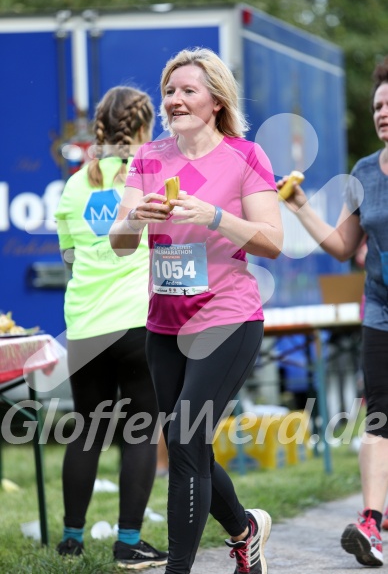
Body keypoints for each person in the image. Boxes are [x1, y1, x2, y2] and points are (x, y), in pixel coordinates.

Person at [109, 48, 283, 574]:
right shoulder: (148, 158)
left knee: (185, 437)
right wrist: (135, 218)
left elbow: (273, 241)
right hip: (165, 322)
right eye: (170, 91)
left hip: (229, 315)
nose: (175, 100)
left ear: (216, 99)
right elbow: (119, 243)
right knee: (190, 448)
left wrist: (215, 216)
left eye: (188, 90)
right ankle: (245, 530)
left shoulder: (246, 156)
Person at [277, 57, 388, 568]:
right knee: (379, 418)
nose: (382, 112)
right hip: (381, 313)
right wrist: (300, 206)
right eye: (377, 106)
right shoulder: (366, 170)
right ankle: (372, 521)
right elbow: (344, 246)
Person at [54, 86, 168, 569]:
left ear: (99, 127)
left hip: (84, 324)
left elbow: (70, 257)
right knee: (140, 433)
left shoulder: (75, 186)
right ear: (143, 129)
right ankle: (127, 543)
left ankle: (71, 539)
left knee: (86, 430)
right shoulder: (152, 177)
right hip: (137, 320)